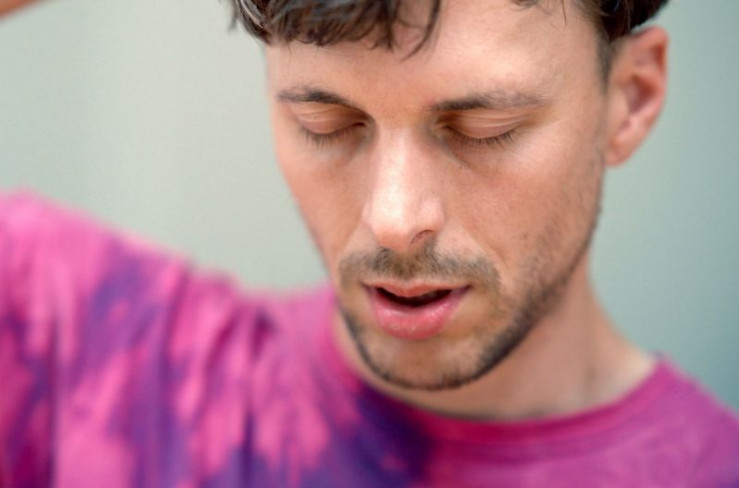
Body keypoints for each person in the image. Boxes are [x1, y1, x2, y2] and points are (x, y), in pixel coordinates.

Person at [1, 0, 738, 486]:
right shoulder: (82, 348)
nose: (393, 217)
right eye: (326, 125)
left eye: (483, 130)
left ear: (631, 97)